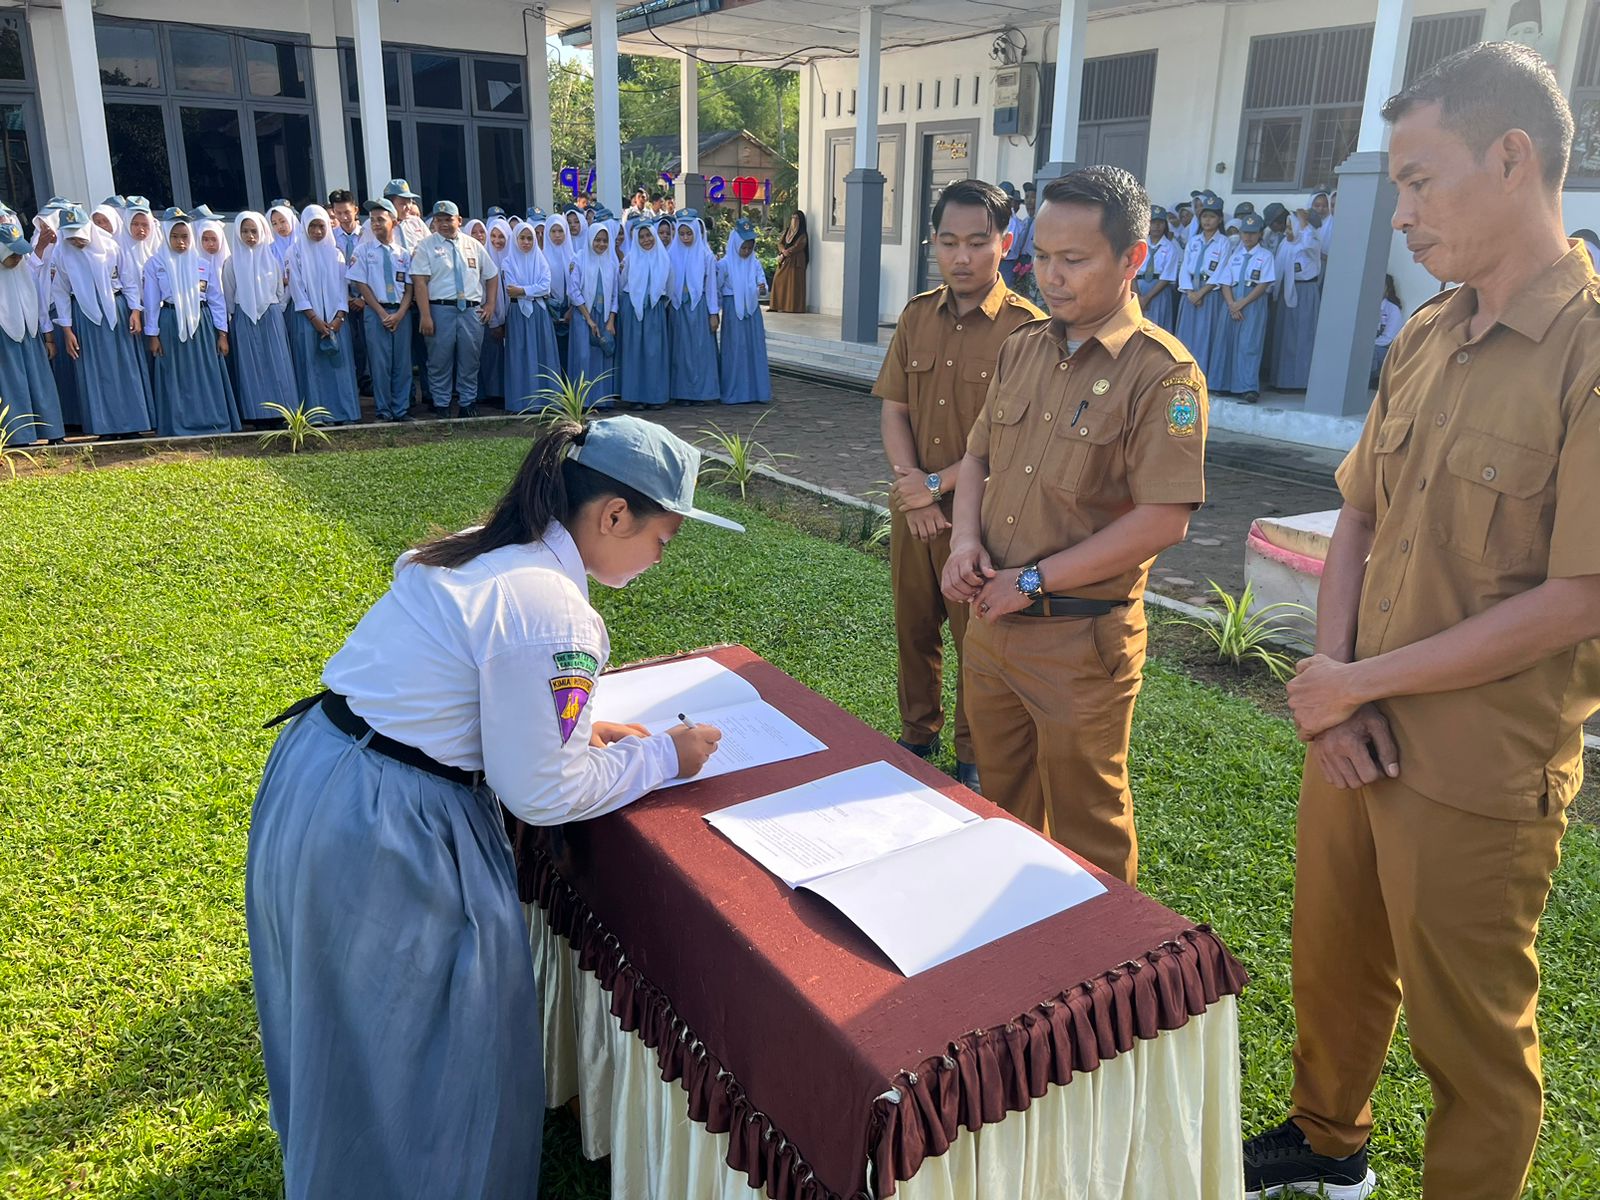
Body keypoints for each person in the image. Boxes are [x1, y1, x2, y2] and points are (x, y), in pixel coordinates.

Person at [1243, 43, 1600, 1200]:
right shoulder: (1429, 334)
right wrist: (1334, 679)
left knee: (1473, 1043)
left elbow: (1577, 598)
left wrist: (1354, 688)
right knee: (1334, 965)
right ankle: (1326, 1140)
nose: (1397, 212)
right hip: (1354, 730)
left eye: (1416, 179)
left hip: (1472, 768)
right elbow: (1355, 515)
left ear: (1511, 158)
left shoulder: (1588, 355)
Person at [246, 415, 737, 1200]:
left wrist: (580, 730)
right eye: (662, 541)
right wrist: (661, 757)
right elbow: (542, 793)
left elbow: (477, 693)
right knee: (426, 1039)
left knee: (346, 1020)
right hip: (390, 822)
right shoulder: (553, 610)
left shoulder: (490, 546)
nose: (658, 560)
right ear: (614, 514)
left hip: (322, 775)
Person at [940, 166, 1207, 885]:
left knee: (1089, 824)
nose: (1051, 278)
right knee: (1003, 804)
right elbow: (975, 459)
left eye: (1075, 260)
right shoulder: (1024, 347)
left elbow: (1164, 519)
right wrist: (965, 541)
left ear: (1132, 260)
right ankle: (1016, 949)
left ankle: (1102, 977)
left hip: (1079, 644)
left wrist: (1033, 579)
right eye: (1043, 258)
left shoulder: (1163, 375)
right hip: (994, 627)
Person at [876, 179, 1043, 791]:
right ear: (933, 244)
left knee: (978, 636)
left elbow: (1019, 446)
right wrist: (909, 486)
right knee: (913, 627)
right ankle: (917, 734)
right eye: (948, 242)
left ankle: (973, 755)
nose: (962, 257)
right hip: (913, 512)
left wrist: (933, 487)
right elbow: (894, 408)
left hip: (981, 522)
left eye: (978, 242)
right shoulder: (918, 315)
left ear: (1005, 244)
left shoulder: (1029, 333)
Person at [51, 205, 155, 439]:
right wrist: (67, 330)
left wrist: (135, 311)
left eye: (79, 234)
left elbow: (128, 280)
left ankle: (132, 425)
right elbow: (60, 292)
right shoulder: (62, 252)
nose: (76, 241)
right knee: (95, 371)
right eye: (71, 236)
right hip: (85, 316)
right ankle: (104, 428)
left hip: (117, 311)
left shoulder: (110, 246)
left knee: (124, 366)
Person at [143, 208, 241, 438]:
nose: (180, 242)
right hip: (170, 322)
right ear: (166, 237)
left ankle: (213, 423)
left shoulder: (202, 264)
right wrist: (153, 335)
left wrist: (222, 334)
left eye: (185, 236)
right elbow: (150, 301)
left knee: (206, 373)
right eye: (175, 237)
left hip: (203, 325)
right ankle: (178, 426)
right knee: (175, 375)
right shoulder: (156, 264)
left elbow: (216, 300)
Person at [411, 200, 498, 419]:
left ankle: (467, 402)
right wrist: (426, 315)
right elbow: (420, 282)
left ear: (458, 220)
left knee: (470, 358)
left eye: (448, 220)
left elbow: (492, 275)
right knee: (439, 360)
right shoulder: (426, 246)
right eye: (438, 220)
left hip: (470, 310)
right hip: (441, 309)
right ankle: (442, 404)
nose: (443, 224)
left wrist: (490, 305)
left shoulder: (473, 245)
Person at [287, 205, 360, 425]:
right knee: (312, 367)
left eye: (321, 226)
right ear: (304, 227)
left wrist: (338, 318)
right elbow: (297, 288)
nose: (318, 231)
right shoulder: (295, 252)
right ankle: (315, 415)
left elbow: (341, 288)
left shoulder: (335, 253)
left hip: (336, 321)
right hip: (307, 320)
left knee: (338, 365)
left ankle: (343, 412)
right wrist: (315, 319)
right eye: (313, 226)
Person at [224, 212, 298, 427]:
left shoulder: (271, 259)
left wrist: (275, 311)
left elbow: (279, 291)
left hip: (271, 317)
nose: (250, 236)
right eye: (245, 231)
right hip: (244, 318)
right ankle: (256, 415)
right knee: (251, 367)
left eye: (254, 231)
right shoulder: (232, 262)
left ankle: (282, 411)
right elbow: (229, 293)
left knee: (277, 365)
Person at [346, 198, 416, 423]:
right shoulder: (364, 251)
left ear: (393, 222)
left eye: (381, 220)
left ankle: (401, 409)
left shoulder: (403, 254)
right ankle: (384, 411)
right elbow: (362, 286)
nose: (375, 224)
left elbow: (409, 288)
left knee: (402, 363)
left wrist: (400, 313)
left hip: (400, 313)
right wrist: (381, 313)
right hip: (376, 313)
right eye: (372, 220)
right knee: (379, 363)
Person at [0, 212, 64, 444]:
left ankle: (52, 431)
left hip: (28, 327)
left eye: (19, 252)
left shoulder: (21, 267)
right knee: (11, 382)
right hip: (4, 330)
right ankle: (19, 436)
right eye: (12, 252)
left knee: (39, 380)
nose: (17, 257)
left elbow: (35, 282)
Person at [499, 221, 561, 414]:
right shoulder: (508, 262)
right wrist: (531, 290)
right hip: (518, 315)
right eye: (522, 238)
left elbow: (546, 286)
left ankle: (547, 401)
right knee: (521, 356)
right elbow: (510, 290)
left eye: (529, 238)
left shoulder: (540, 259)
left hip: (539, 314)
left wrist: (523, 290)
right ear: (515, 239)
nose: (526, 242)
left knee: (542, 355)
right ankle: (521, 402)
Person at [1216, 211, 1276, 402]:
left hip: (1252, 302)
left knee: (1249, 344)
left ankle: (1248, 386)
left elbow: (1263, 284)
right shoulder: (1235, 255)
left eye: (1252, 233)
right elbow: (1225, 281)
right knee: (1227, 342)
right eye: (1245, 233)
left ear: (1260, 234)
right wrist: (1232, 304)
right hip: (1232, 300)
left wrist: (1243, 303)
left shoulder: (1265, 256)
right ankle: (1225, 384)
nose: (1248, 237)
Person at [716, 217, 774, 406]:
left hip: (751, 310)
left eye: (750, 247)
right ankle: (735, 391)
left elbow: (762, 283)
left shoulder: (754, 263)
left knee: (752, 349)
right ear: (735, 244)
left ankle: (756, 391)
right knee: (735, 349)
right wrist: (715, 310)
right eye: (744, 247)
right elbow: (716, 287)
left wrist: (761, 288)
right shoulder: (724, 264)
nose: (747, 251)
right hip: (733, 310)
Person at [617, 218, 672, 410]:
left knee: (654, 352)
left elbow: (669, 286)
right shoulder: (630, 258)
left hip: (654, 309)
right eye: (641, 237)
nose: (646, 240)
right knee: (634, 353)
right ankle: (635, 397)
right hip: (632, 308)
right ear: (635, 239)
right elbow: (622, 283)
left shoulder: (663, 257)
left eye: (649, 235)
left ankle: (655, 396)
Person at [666, 211, 720, 405]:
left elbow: (711, 286)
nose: (686, 238)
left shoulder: (706, 256)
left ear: (697, 232)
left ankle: (701, 393)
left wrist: (713, 313)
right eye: (682, 234)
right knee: (680, 350)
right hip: (678, 307)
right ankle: (682, 393)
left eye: (689, 234)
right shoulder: (671, 254)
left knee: (699, 350)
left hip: (698, 307)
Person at [1269, 203, 1324, 390]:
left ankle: (1301, 382)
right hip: (1287, 292)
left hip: (1305, 293)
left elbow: (1310, 244)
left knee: (1302, 337)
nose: (1288, 230)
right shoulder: (1286, 243)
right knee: (1286, 337)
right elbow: (1278, 267)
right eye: (1287, 226)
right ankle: (1282, 381)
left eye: (1290, 225)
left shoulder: (1310, 240)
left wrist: (1303, 223)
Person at [1175, 192, 1230, 377]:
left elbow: (1221, 270)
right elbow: (1184, 268)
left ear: (1220, 219)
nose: (1207, 221)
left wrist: (1202, 293)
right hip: (1190, 293)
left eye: (1212, 216)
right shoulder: (1194, 241)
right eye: (1204, 216)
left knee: (1206, 334)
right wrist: (1190, 291)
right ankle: (1183, 373)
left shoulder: (1224, 242)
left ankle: (1202, 374)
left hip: (1209, 294)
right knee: (1187, 334)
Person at [568, 220, 618, 403]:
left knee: (602, 356)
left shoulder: (611, 264)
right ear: (590, 239)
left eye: (605, 241)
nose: (601, 244)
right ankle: (583, 401)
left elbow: (615, 295)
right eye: (597, 240)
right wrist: (588, 318)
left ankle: (601, 400)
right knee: (583, 356)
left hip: (604, 316)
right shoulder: (579, 259)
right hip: (583, 315)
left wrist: (611, 320)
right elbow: (573, 290)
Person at [328, 189, 369, 396]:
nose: (343, 217)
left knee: (368, 342)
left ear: (355, 210)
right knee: (350, 343)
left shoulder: (367, 235)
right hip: (342, 298)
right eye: (338, 213)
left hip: (367, 298)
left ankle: (367, 381)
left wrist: (362, 298)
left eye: (346, 212)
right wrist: (347, 299)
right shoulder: (331, 239)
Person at [479, 217, 514, 405]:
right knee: (492, 356)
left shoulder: (512, 257)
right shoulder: (485, 257)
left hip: (513, 317)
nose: (497, 241)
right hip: (491, 317)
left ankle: (509, 391)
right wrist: (495, 321)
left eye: (501, 236)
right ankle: (494, 394)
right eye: (493, 236)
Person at [542, 213, 581, 373]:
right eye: (553, 231)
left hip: (572, 311)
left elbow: (579, 286)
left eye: (561, 231)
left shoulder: (574, 258)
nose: (557, 236)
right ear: (547, 234)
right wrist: (551, 308)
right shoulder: (541, 258)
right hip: (549, 312)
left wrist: (572, 308)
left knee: (572, 352)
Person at [1134, 205, 1180, 332]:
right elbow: (1132, 270)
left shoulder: (1170, 248)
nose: (1156, 226)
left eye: (1160, 223)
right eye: (1152, 223)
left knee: (1157, 327)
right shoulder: (1139, 245)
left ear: (1165, 225)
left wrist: (1147, 298)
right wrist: (1138, 296)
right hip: (1139, 288)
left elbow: (1166, 277)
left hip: (1158, 291)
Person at [768, 210, 809, 313]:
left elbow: (798, 246)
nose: (794, 221)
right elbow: (780, 243)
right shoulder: (787, 231)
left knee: (792, 284)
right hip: (785, 260)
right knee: (778, 279)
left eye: (797, 219)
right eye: (793, 218)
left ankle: (792, 307)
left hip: (796, 262)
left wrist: (787, 252)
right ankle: (776, 305)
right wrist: (783, 251)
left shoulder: (802, 234)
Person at [1370, 274, 1402, 387]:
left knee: (1369, 353)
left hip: (1383, 348)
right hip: (1369, 345)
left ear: (1387, 289)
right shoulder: (1366, 305)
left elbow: (1389, 339)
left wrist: (1368, 345)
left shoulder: (1392, 309)